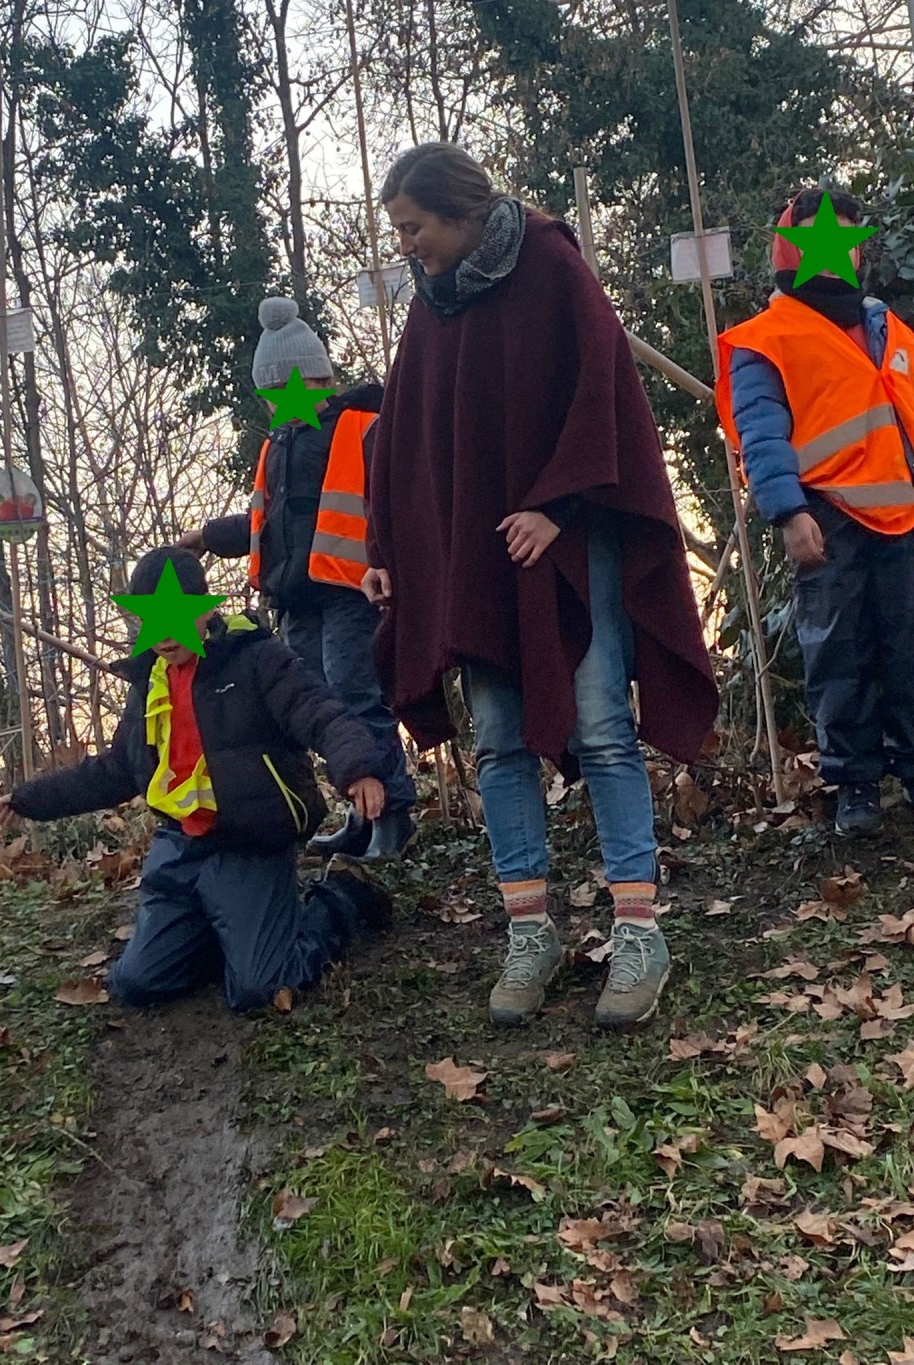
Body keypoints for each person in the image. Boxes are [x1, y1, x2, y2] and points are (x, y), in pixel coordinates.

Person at [365, 143, 718, 1030]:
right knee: (497, 739)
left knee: (600, 726)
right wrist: (387, 549)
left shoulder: (551, 264)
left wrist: (558, 509)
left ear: (454, 210)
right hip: (476, 561)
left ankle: (640, 932)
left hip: (564, 548)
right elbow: (403, 433)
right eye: (399, 233)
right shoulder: (431, 306)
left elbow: (603, 399)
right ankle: (532, 932)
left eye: (412, 228)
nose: (406, 246)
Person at [0, 547, 391, 1012]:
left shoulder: (258, 660)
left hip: (249, 844)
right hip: (178, 850)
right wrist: (29, 800)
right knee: (137, 984)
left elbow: (321, 714)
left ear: (204, 610)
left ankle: (341, 896)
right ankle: (220, 930)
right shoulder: (149, 683)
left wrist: (358, 768)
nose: (163, 635)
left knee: (258, 990)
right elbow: (116, 770)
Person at [178, 297, 416, 860]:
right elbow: (269, 526)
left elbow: (392, 503)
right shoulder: (277, 447)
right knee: (319, 709)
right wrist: (209, 537)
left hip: (351, 590)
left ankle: (392, 817)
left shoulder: (363, 425)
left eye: (273, 389)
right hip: (297, 598)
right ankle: (360, 820)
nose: (269, 402)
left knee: (357, 698)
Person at [717, 187, 914, 837]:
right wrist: (787, 509)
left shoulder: (886, 325)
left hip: (903, 520)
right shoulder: (766, 337)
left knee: (907, 646)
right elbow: (760, 430)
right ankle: (854, 780)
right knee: (839, 652)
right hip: (825, 518)